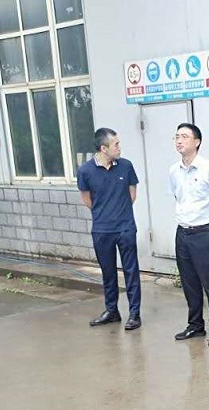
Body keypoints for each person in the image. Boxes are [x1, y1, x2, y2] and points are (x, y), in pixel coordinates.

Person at [170, 123, 209, 347]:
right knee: (189, 283)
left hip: (204, 233)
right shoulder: (173, 171)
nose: (179, 141)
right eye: (177, 137)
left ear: (197, 142)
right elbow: (178, 198)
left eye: (184, 137)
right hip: (183, 233)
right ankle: (195, 325)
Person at [78, 127, 141, 330]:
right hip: (102, 229)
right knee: (108, 272)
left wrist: (119, 211)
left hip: (125, 227)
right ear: (103, 148)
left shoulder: (126, 166)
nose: (119, 148)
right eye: (116, 144)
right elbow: (87, 199)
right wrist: (104, 212)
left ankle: (134, 313)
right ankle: (112, 310)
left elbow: (132, 194)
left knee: (131, 271)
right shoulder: (85, 171)